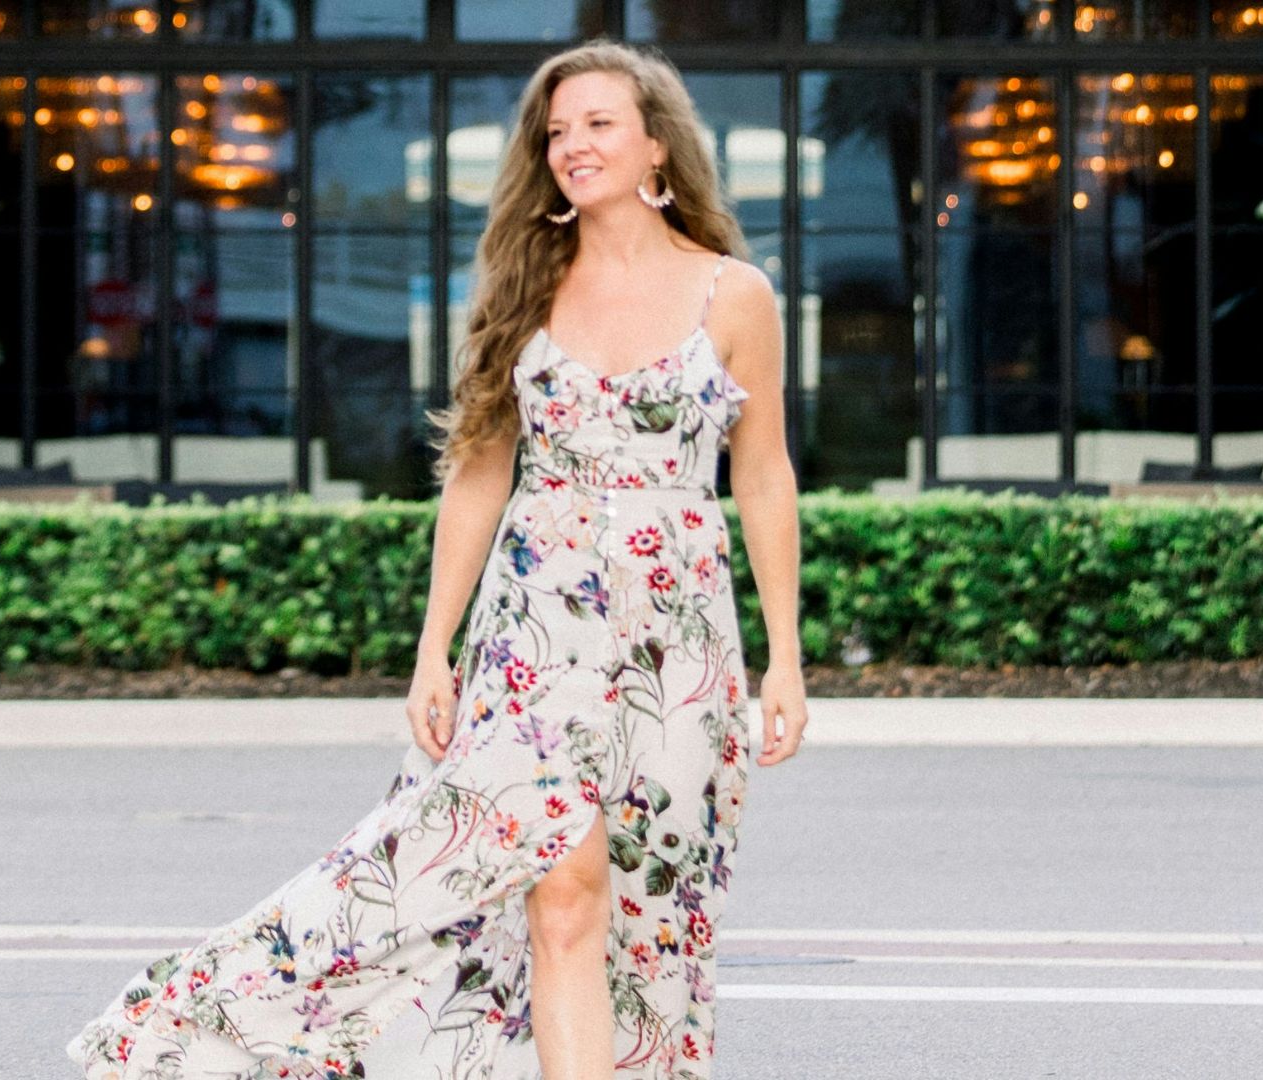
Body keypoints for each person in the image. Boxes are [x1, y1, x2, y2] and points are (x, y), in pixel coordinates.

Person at [66, 37, 807, 1080]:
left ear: (656, 148)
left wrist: (785, 658)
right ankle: (218, 1018)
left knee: (650, 915)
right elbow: (477, 474)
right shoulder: (523, 283)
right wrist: (434, 650)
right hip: (535, 630)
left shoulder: (735, 295)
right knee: (556, 887)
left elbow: (764, 476)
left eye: (598, 124)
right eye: (556, 132)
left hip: (677, 641)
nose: (573, 146)